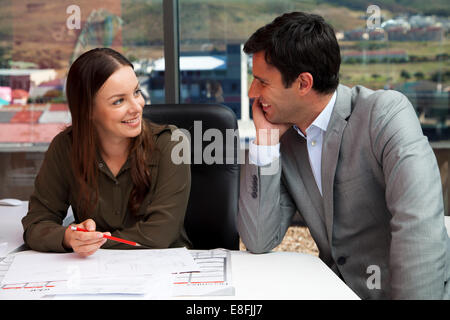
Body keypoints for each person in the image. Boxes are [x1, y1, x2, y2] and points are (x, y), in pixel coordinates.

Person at [238, 11, 450, 299]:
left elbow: (418, 229)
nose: (252, 92)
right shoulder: (285, 142)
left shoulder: (385, 116)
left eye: (262, 82)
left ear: (303, 83)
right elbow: (259, 239)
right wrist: (264, 141)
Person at [22, 48, 191, 257]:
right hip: (94, 274)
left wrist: (96, 242)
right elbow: (37, 223)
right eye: (119, 101)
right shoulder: (66, 147)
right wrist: (69, 237)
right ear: (88, 110)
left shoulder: (171, 143)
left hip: (164, 269)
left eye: (136, 92)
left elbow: (159, 235)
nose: (137, 107)